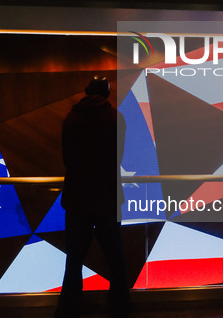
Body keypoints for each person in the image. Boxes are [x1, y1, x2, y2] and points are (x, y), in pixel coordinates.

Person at [55, 76, 129, 318]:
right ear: (107, 93)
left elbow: (68, 158)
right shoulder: (116, 118)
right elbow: (118, 158)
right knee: (115, 257)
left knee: (74, 259)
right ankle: (120, 306)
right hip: (107, 197)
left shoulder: (72, 118)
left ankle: (68, 308)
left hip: (77, 199)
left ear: (87, 91)